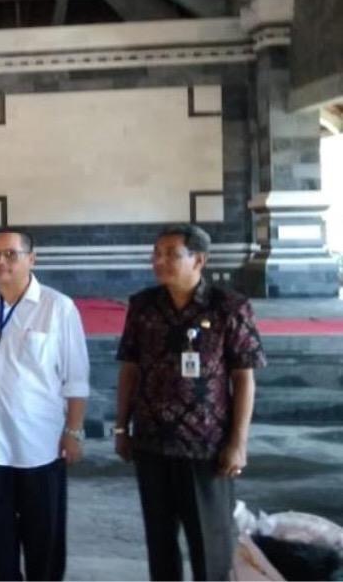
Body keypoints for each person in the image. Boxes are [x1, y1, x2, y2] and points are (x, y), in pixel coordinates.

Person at [115, 224, 265, 581]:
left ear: (199, 260)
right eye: (157, 254)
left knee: (210, 546)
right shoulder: (143, 306)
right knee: (160, 543)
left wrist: (238, 443)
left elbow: (244, 378)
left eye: (171, 254)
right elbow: (130, 369)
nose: (160, 261)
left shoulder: (229, 306)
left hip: (206, 446)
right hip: (152, 442)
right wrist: (122, 426)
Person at [0, 228, 89, 580]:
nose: (0, 262)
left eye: (10, 254)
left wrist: (73, 431)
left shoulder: (57, 308)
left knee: (43, 535)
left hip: (38, 444)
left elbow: (76, 377)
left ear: (32, 258)